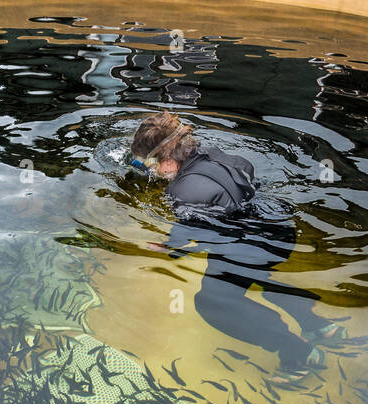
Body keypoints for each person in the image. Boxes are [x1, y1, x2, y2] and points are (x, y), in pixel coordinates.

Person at [129, 112, 345, 384]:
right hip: (279, 228)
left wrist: (168, 247)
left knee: (213, 302)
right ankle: (318, 326)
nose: (150, 171)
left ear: (169, 161)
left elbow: (188, 229)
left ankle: (296, 350)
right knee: (256, 277)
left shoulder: (182, 191)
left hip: (247, 245)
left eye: (150, 164)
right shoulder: (215, 154)